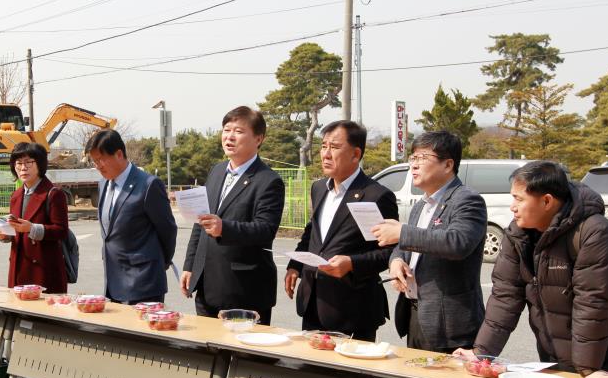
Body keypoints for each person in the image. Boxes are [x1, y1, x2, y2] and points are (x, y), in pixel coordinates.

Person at [455, 161, 608, 378]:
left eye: (519, 199)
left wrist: (588, 368)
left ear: (546, 201)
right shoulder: (518, 234)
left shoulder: (594, 232)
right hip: (553, 356)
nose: (512, 207)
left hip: (606, 360)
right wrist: (482, 354)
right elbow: (506, 295)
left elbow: (592, 303)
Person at [371, 131, 487, 353]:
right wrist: (396, 262)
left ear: (448, 164)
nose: (413, 166)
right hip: (416, 314)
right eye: (412, 158)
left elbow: (458, 242)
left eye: (422, 158)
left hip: (450, 325)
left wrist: (402, 233)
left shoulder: (467, 200)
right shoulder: (420, 206)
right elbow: (404, 246)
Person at [284, 121, 398, 341]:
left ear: (355, 154)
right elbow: (312, 233)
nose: (325, 154)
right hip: (314, 302)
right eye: (323, 146)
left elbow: (389, 252)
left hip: (353, 309)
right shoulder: (319, 188)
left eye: (334, 147)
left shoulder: (375, 195)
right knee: (311, 371)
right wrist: (295, 266)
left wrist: (352, 264)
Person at [181, 106, 285, 325]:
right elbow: (201, 222)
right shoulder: (216, 171)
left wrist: (224, 228)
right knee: (208, 353)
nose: (229, 136)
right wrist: (190, 265)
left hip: (244, 288)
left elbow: (266, 229)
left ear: (258, 138)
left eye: (238, 131)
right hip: (207, 285)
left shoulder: (268, 180)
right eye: (226, 129)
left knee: (243, 356)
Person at [0, 141, 69, 378]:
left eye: (28, 162)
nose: (22, 168)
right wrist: (6, 235)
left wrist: (32, 229)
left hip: (45, 271)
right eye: (18, 163)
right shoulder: (17, 195)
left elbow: (60, 231)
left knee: (44, 330)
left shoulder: (53, 194)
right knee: (22, 328)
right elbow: (18, 230)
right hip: (20, 268)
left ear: (40, 165)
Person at [87, 129, 177, 304]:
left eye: (101, 159)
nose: (98, 166)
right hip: (113, 281)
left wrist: (160, 261)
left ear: (119, 154)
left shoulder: (148, 185)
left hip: (143, 282)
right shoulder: (103, 184)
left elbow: (168, 230)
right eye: (94, 161)